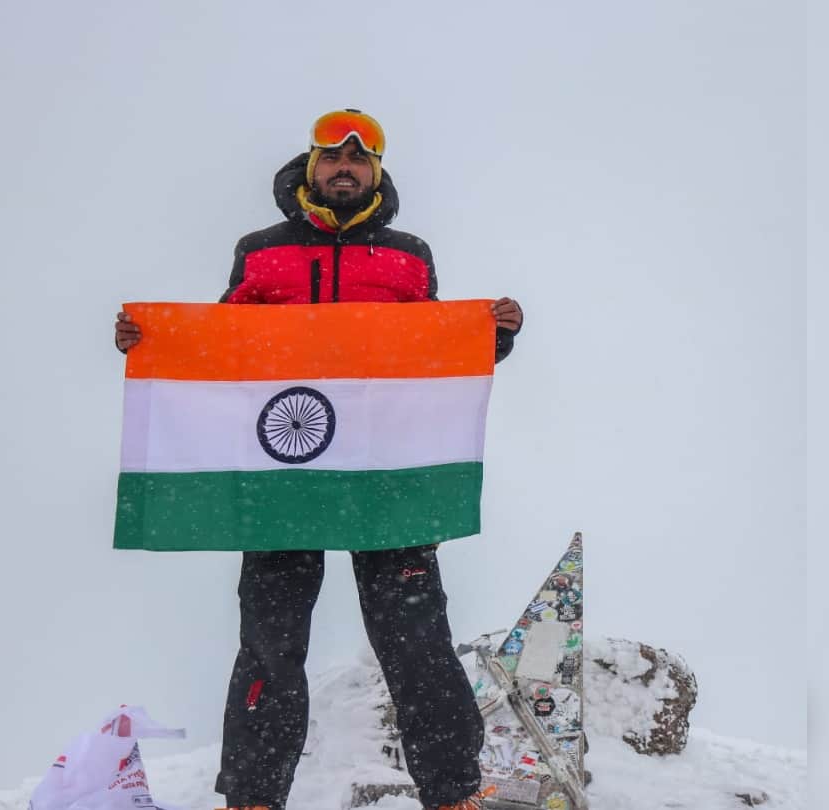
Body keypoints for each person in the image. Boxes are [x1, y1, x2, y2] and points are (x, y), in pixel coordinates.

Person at [115, 109, 523, 810]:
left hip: (386, 479)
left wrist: (495, 337)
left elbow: (431, 354)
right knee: (270, 645)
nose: (345, 167)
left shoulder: (409, 255)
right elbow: (222, 347)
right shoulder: (260, 251)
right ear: (311, 167)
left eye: (358, 159)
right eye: (332, 156)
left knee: (418, 641)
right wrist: (150, 345)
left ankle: (454, 793)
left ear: (376, 173)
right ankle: (251, 797)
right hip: (281, 479)